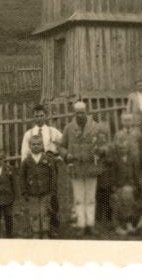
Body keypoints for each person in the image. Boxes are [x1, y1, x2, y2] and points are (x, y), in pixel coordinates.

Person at [58, 101, 106, 236]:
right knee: (78, 198)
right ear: (74, 113)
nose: (79, 115)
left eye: (82, 112)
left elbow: (103, 145)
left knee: (90, 197)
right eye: (77, 112)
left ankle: (90, 224)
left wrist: (100, 150)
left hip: (91, 166)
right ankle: (81, 224)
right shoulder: (68, 128)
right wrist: (66, 155)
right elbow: (61, 146)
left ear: (87, 112)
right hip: (76, 167)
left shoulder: (96, 127)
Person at [20, 135, 58, 238]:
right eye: (33, 144)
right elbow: (22, 178)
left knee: (45, 212)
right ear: (29, 146)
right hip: (32, 193)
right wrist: (24, 191)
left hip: (46, 192)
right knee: (34, 213)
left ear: (42, 145)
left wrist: (52, 189)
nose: (36, 146)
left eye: (38, 144)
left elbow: (53, 175)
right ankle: (36, 232)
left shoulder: (48, 159)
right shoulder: (26, 161)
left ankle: (45, 231)